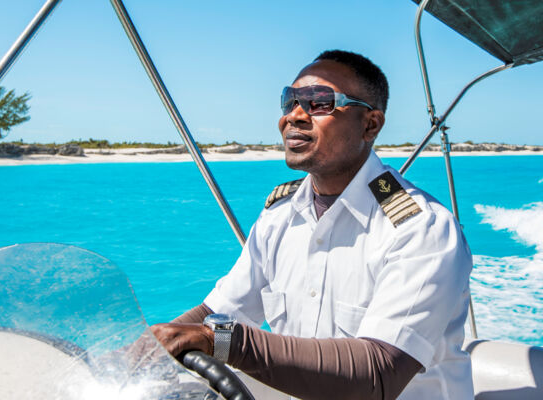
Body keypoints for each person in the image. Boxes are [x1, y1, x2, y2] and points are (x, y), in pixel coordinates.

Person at [149, 50, 474, 400]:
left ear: (370, 124)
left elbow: (378, 374)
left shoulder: (421, 228)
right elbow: (216, 312)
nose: (295, 116)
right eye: (289, 101)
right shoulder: (279, 217)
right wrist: (136, 351)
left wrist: (224, 341)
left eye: (320, 103)